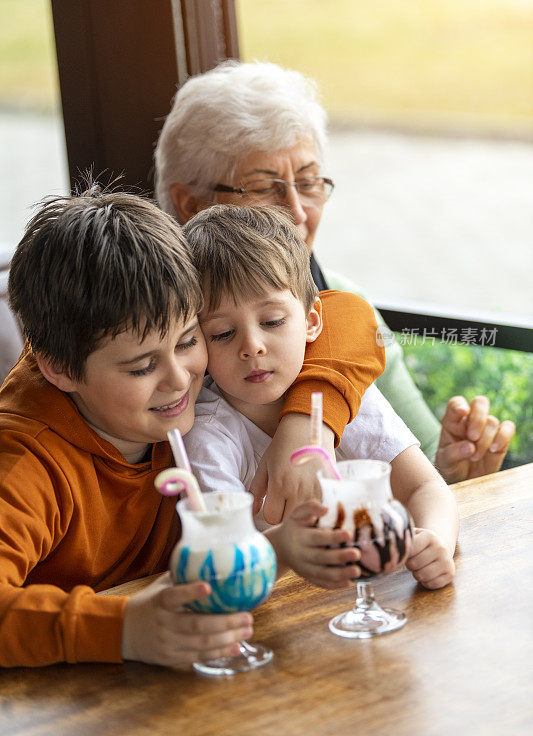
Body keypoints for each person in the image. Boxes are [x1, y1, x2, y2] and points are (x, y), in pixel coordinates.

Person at [0, 187, 382, 667]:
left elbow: (347, 316)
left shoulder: (191, 377)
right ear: (59, 367)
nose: (181, 380)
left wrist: (305, 426)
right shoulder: (25, 462)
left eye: (190, 341)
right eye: (141, 368)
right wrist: (123, 628)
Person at [154, 60, 515, 489]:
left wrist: (452, 471)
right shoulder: (159, 321)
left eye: (308, 182)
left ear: (311, 320)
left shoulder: (344, 299)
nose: (297, 211)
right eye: (266, 186)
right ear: (191, 204)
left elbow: (419, 467)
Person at [183, 205, 458, 589]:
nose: (253, 346)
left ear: (312, 321)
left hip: (373, 597)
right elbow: (229, 563)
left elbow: (424, 487)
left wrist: (435, 540)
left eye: (272, 321)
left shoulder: (343, 391)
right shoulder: (208, 436)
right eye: (223, 333)